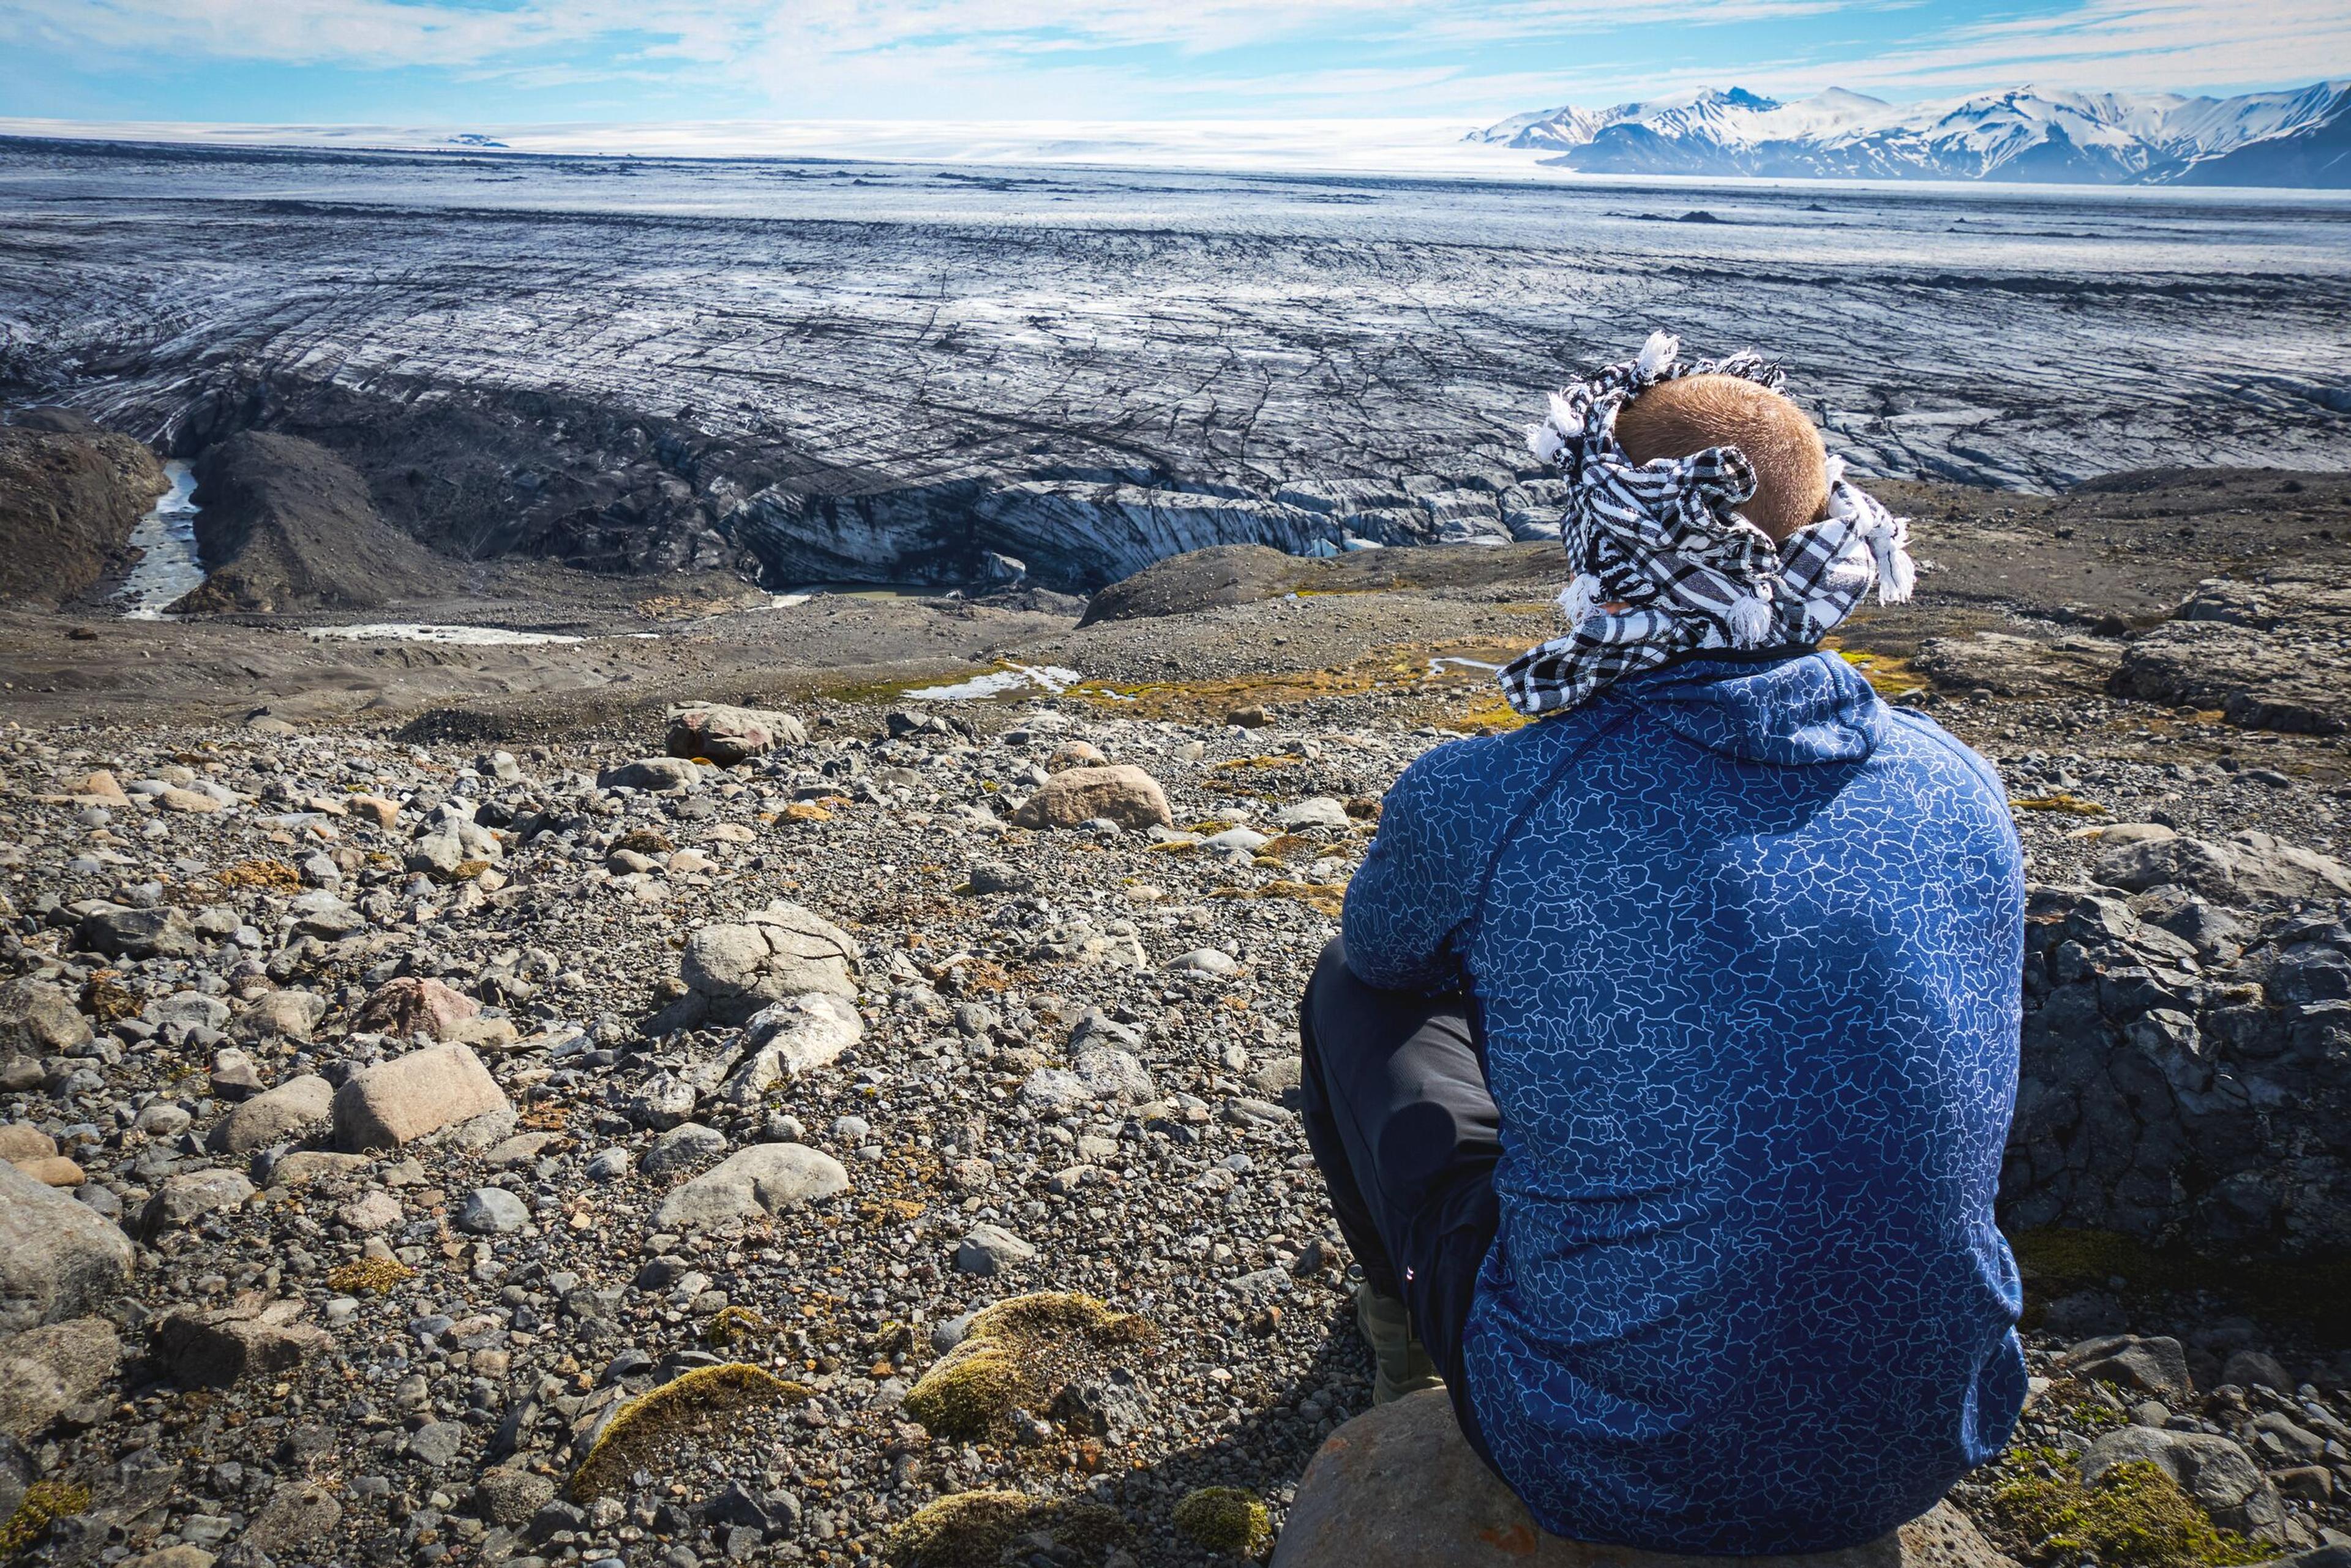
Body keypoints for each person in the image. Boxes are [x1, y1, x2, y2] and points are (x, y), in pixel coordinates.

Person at [1297, 332, 2026, 1555]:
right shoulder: (1960, 790)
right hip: (1934, 1432)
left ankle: (1399, 1334)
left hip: (1600, 1459)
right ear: (1832, 543)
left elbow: (1382, 952)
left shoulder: (1491, 797)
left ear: (1604, 541)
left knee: (1350, 995)